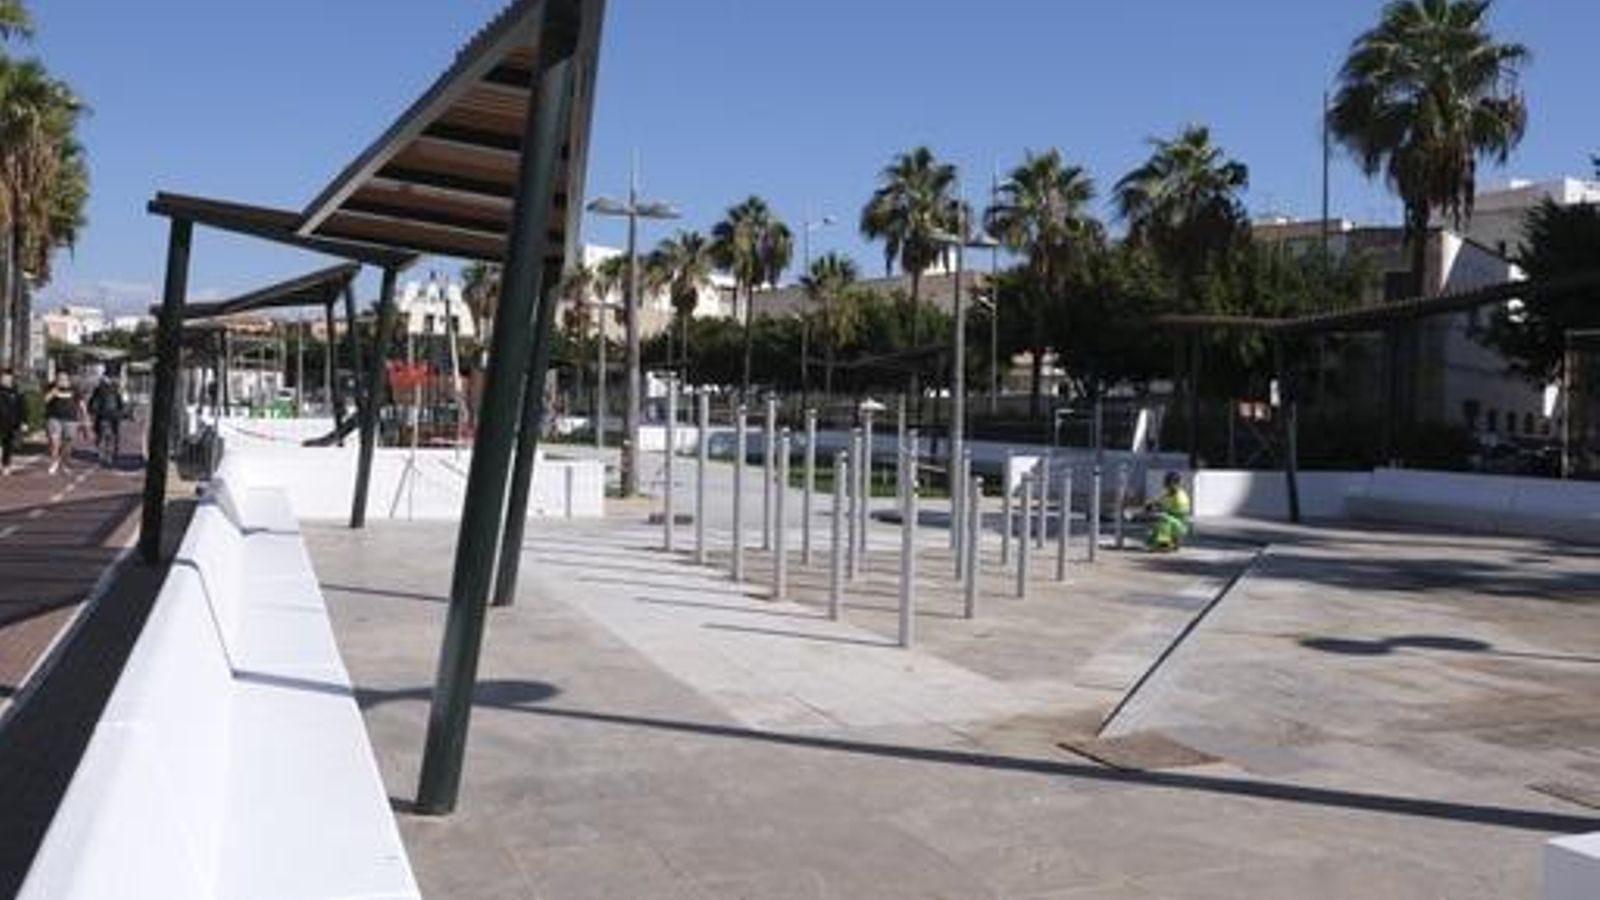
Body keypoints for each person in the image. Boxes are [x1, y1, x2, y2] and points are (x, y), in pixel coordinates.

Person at [43, 372, 85, 476]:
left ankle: (65, 463)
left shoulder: (74, 389)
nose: (61, 381)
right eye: (59, 379)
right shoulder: (51, 387)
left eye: (64, 379)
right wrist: (54, 391)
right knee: (54, 442)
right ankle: (54, 461)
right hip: (54, 418)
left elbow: (81, 403)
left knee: (68, 442)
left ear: (68, 380)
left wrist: (84, 416)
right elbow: (45, 400)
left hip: (70, 419)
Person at [1145, 471, 1192, 552]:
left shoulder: (1181, 497)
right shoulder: (1169, 494)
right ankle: (1163, 542)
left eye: (1170, 483)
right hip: (1173, 521)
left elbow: (1179, 513)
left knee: (1163, 518)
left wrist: (1160, 509)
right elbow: (1160, 501)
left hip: (1180, 524)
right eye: (1167, 483)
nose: (1167, 486)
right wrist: (1151, 504)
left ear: (1176, 484)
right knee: (1154, 520)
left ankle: (1165, 543)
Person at [89, 375, 125, 466]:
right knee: (108, 435)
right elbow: (121, 403)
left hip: (108, 416)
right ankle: (107, 454)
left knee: (107, 435)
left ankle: (106, 454)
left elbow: (120, 402)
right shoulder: (111, 390)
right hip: (107, 416)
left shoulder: (112, 390)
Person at [0, 369, 22, 476]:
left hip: (11, 423)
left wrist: (23, 421)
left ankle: (6, 465)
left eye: (9, 379)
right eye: (4, 378)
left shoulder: (16, 392)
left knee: (8, 446)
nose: (6, 380)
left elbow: (21, 407)